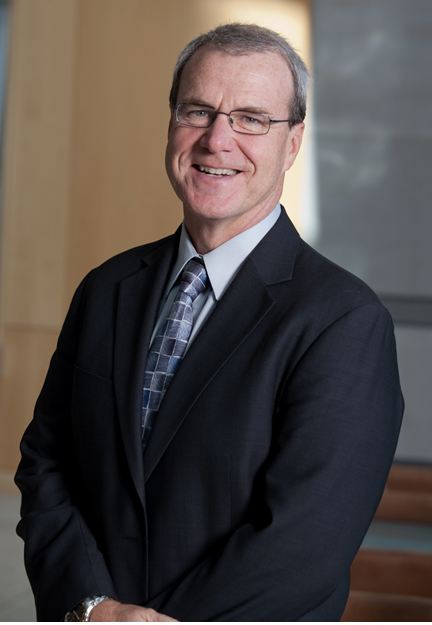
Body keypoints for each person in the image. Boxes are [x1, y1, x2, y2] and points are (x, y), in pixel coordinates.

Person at [15, 23, 403, 622]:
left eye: (251, 119)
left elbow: (302, 545)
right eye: (198, 111)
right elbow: (48, 464)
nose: (217, 140)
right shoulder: (106, 288)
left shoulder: (344, 321)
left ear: (293, 142)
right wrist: (95, 608)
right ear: (172, 122)